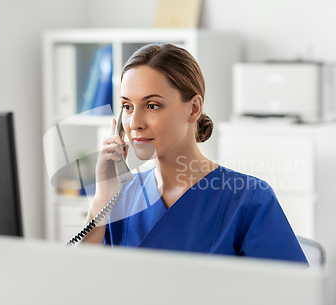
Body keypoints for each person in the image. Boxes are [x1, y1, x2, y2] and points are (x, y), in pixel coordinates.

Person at [80, 43, 308, 264]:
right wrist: (102, 198)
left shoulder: (249, 200)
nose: (135, 123)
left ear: (194, 108)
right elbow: (81, 281)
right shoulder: (119, 197)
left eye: (152, 105)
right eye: (127, 107)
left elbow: (290, 295)